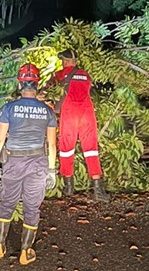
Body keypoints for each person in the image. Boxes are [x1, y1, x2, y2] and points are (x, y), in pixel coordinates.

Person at [0, 63, 57, 265]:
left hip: (13, 161)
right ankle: (25, 251)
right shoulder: (47, 111)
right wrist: (52, 171)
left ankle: (0, 245)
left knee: (7, 202)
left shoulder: (9, 108)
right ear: (37, 85)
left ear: (20, 84)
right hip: (38, 163)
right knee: (32, 207)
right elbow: (52, 144)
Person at [42, 49, 108, 202]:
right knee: (91, 149)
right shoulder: (85, 75)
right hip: (87, 113)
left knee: (66, 149)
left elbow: (48, 89)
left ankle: (68, 187)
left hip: (70, 112)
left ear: (65, 61)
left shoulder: (60, 74)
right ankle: (98, 190)